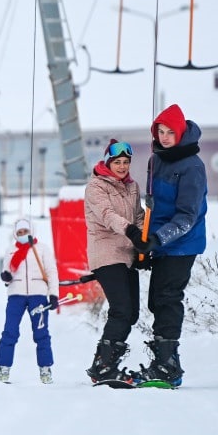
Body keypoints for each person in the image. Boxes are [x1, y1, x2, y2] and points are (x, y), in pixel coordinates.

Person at [124, 103, 208, 388]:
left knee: (168, 296)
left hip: (183, 242)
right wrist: (146, 246)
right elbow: (152, 206)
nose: (164, 137)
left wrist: (158, 240)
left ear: (180, 132)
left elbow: (188, 215)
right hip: (160, 241)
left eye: (170, 131)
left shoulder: (193, 167)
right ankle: (163, 361)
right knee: (156, 299)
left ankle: (168, 366)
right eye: (160, 131)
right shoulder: (156, 160)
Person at [82, 139, 145, 384]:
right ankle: (104, 366)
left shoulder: (132, 186)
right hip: (106, 253)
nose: (121, 166)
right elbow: (107, 215)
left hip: (127, 254)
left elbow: (138, 215)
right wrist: (131, 231)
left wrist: (142, 246)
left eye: (126, 162)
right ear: (108, 162)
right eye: (117, 162)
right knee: (121, 310)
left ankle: (105, 362)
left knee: (131, 314)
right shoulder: (96, 186)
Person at [0, 218, 60, 384]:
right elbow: (6, 272)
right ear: (15, 234)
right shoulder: (10, 251)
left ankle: (45, 369)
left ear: (31, 231)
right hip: (16, 295)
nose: (23, 235)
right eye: (19, 232)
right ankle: (4, 368)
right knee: (9, 332)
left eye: (25, 231)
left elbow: (52, 272)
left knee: (41, 333)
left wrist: (53, 294)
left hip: (38, 295)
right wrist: (6, 276)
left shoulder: (42, 249)